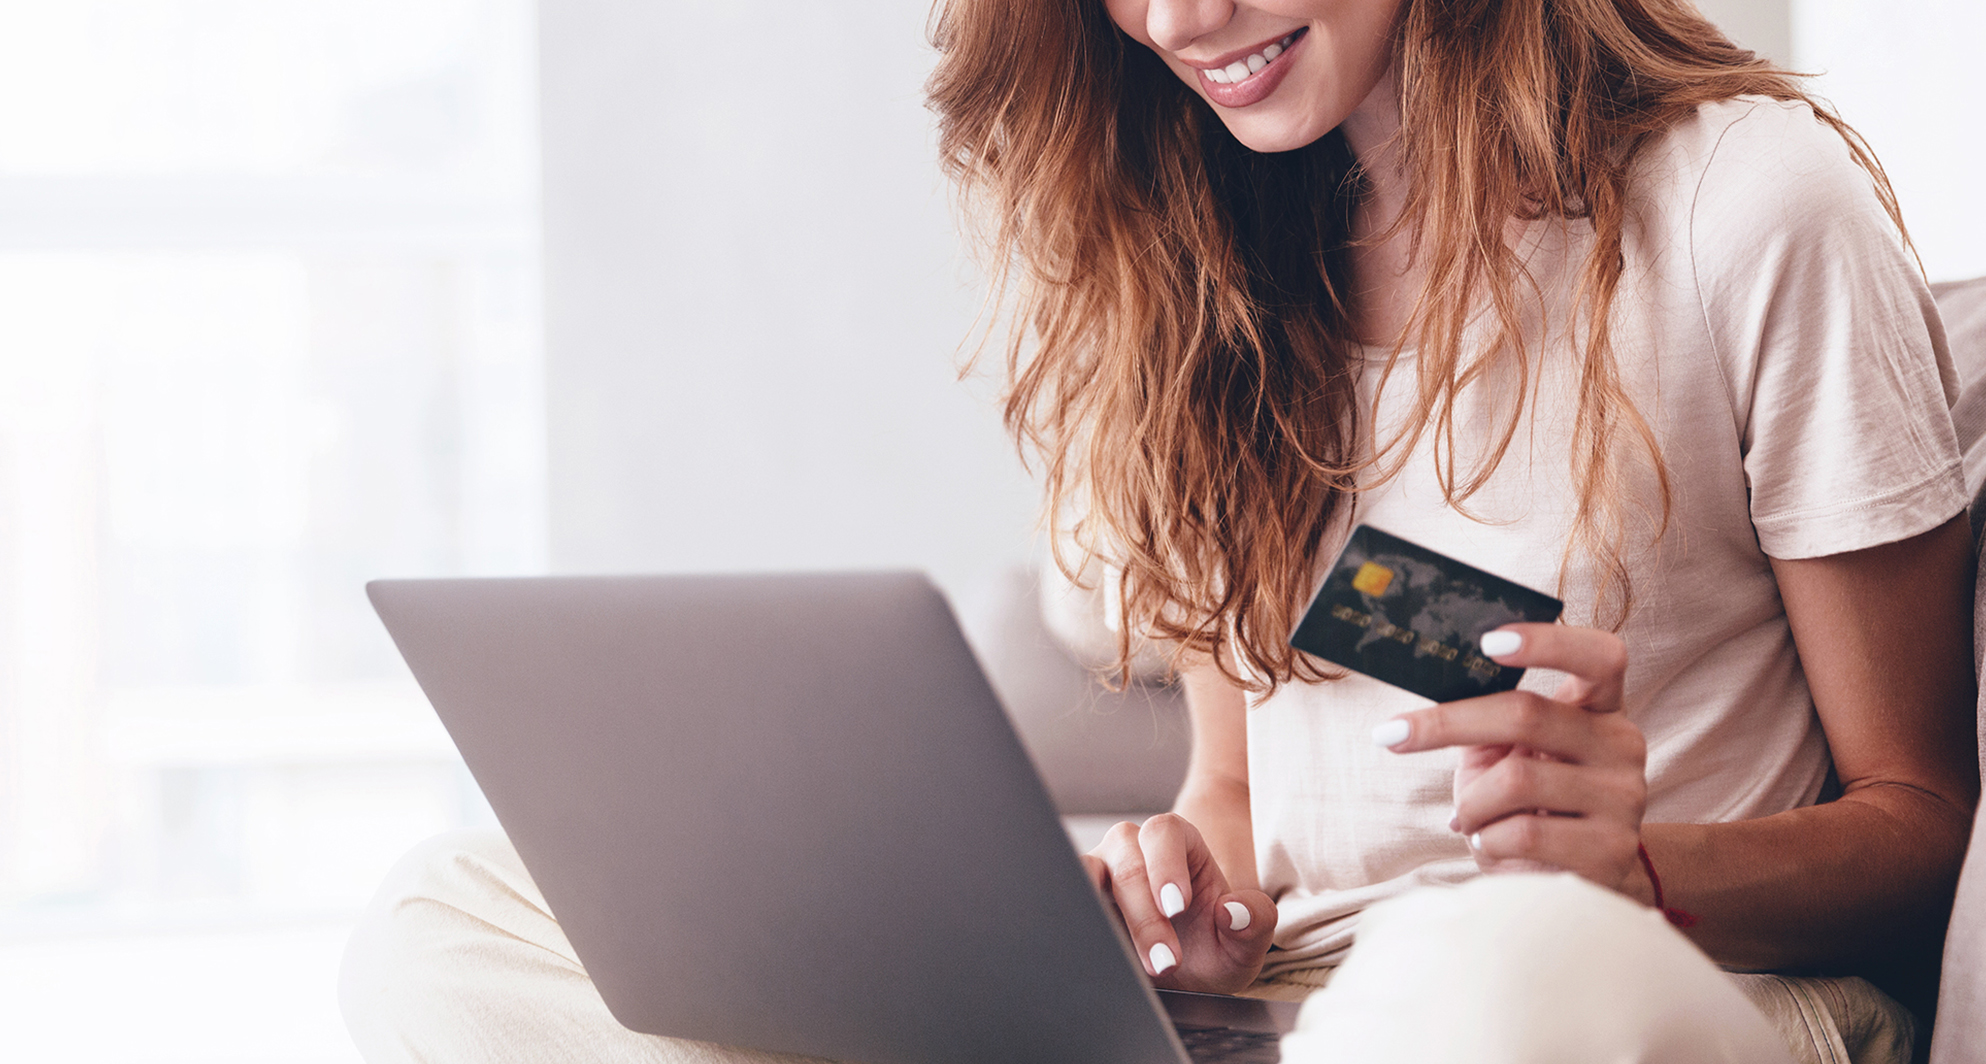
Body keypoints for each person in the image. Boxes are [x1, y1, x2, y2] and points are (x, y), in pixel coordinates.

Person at [340, 1, 1976, 1062]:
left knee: (1455, 1002)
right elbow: (1242, 795)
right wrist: (1193, 901)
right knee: (450, 925)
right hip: (1282, 1008)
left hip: (1644, 993)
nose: (1181, 20)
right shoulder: (1202, 268)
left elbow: (1918, 830)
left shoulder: (1744, 212)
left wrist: (1637, 872)